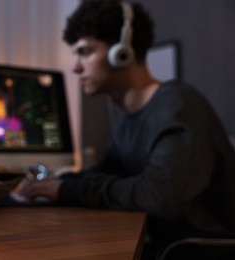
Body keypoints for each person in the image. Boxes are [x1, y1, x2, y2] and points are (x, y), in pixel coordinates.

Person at [13, 0, 235, 259]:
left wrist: (67, 189)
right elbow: (104, 173)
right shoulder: (128, 121)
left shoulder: (178, 105)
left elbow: (159, 196)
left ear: (122, 52)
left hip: (198, 250)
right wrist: (48, 185)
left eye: (85, 52)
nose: (75, 66)